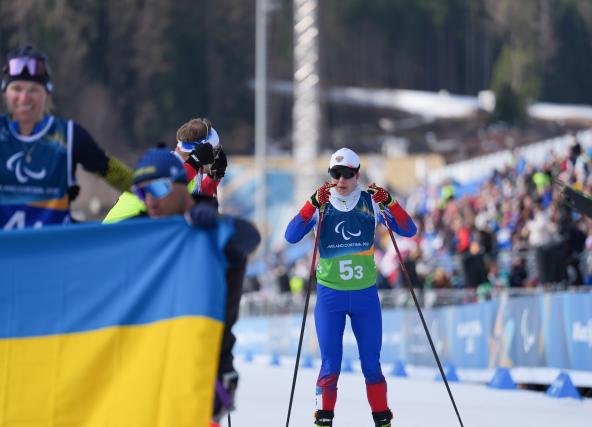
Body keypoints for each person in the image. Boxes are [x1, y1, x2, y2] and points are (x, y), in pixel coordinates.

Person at [107, 147, 259, 427]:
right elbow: (97, 244)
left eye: (158, 188)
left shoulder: (209, 228)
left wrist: (215, 225)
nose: (150, 199)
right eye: (142, 192)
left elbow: (249, 238)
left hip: (202, 373)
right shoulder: (140, 229)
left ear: (181, 184)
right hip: (147, 370)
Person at [284, 148, 417, 427]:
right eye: (335, 173)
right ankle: (323, 421)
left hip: (365, 296)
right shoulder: (321, 203)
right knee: (330, 365)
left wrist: (390, 202)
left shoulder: (371, 202)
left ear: (357, 174)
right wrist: (310, 204)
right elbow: (291, 235)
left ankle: (382, 420)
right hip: (330, 297)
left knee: (372, 366)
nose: (341, 179)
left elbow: (409, 230)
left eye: (347, 174)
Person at [0, 45, 133, 230]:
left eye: (34, 90)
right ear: (5, 92)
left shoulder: (68, 135)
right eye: (16, 89)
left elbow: (114, 172)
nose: (24, 98)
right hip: (3, 253)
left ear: (47, 94)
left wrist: (156, 191)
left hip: (53, 253)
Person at [103, 117, 227, 223]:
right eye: (215, 152)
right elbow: (168, 187)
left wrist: (215, 178)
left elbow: (196, 203)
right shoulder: (165, 164)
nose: (217, 158)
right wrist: (195, 162)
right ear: (204, 153)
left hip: (139, 230)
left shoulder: (189, 174)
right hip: (117, 233)